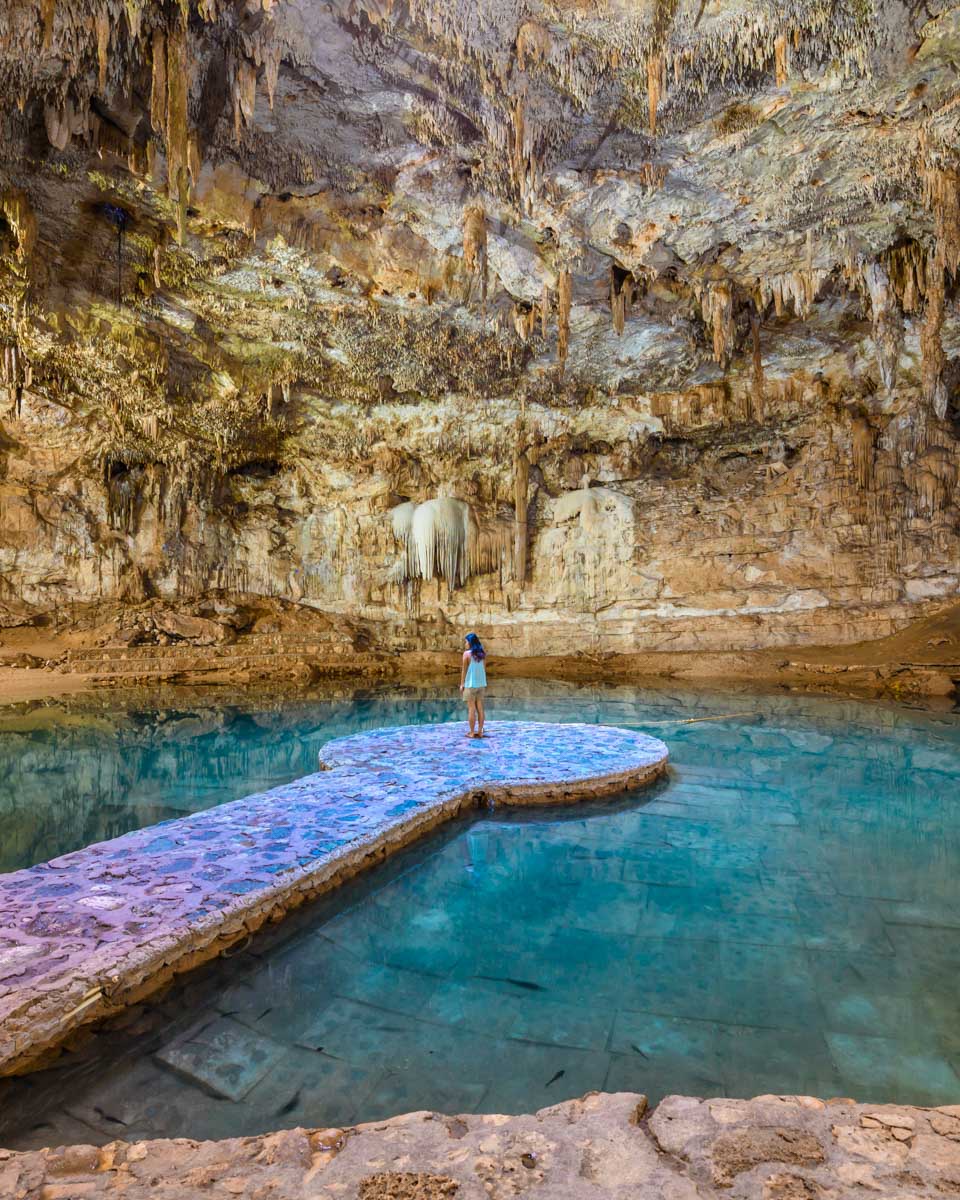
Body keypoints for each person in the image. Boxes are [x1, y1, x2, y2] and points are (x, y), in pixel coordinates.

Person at [459, 631, 487, 738]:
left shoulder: (466, 654)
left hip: (470, 685)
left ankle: (471, 732)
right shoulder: (482, 654)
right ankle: (480, 731)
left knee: (471, 709)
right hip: (481, 684)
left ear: (470, 642)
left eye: (466, 642)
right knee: (480, 707)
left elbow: (464, 671)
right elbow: (483, 668)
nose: (465, 644)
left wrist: (462, 684)